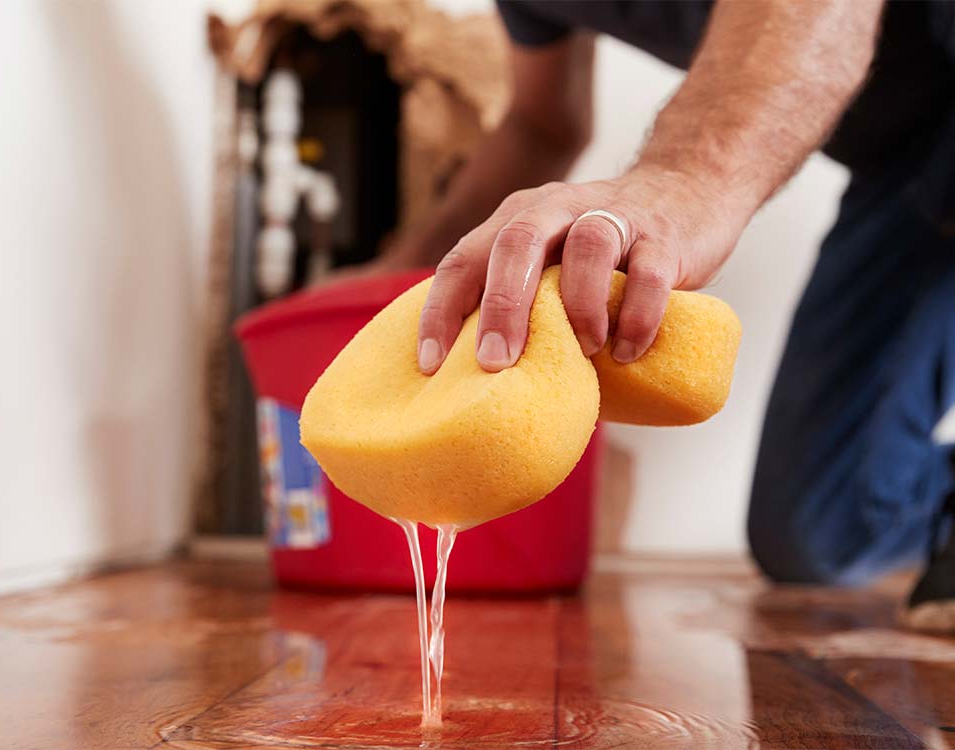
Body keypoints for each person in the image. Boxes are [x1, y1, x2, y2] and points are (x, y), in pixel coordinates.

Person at [344, 0, 955, 629]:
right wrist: (397, 270)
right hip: (908, 163)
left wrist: (683, 180)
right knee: (818, 533)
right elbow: (542, 128)